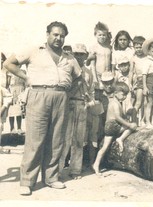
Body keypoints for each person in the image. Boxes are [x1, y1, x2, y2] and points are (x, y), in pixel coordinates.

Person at [3, 21, 82, 195]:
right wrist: (26, 77)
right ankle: (27, 181)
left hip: (61, 97)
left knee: (56, 140)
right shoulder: (33, 51)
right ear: (47, 34)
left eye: (62, 36)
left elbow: (79, 77)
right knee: (35, 139)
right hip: (39, 95)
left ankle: (52, 178)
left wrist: (67, 92)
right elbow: (8, 63)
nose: (58, 38)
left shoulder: (69, 57)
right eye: (55, 34)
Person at [59, 43, 94, 180]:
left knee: (78, 140)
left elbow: (91, 92)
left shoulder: (89, 72)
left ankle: (75, 170)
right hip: (68, 103)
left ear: (86, 56)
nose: (79, 56)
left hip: (81, 105)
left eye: (82, 54)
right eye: (77, 53)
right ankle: (58, 170)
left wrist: (89, 103)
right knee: (64, 139)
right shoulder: (67, 69)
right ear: (73, 54)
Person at [92, 82, 137, 175]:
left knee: (104, 147)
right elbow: (117, 117)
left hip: (108, 126)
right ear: (116, 93)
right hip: (113, 125)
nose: (124, 97)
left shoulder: (115, 102)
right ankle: (120, 139)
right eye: (123, 94)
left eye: (126, 95)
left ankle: (96, 164)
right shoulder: (115, 103)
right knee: (133, 126)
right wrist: (129, 125)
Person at [86, 22, 112, 90]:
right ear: (95, 35)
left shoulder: (109, 47)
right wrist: (95, 78)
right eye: (99, 35)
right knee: (98, 93)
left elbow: (111, 62)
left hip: (108, 75)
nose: (102, 37)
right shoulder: (94, 47)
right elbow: (92, 65)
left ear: (107, 35)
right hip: (98, 75)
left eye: (104, 35)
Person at [130, 36, 146, 124]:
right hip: (139, 80)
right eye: (137, 47)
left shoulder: (147, 56)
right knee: (138, 101)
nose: (139, 49)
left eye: (141, 47)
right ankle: (133, 119)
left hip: (147, 80)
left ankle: (143, 120)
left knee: (146, 102)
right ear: (134, 47)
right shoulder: (133, 58)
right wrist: (130, 83)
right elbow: (131, 72)